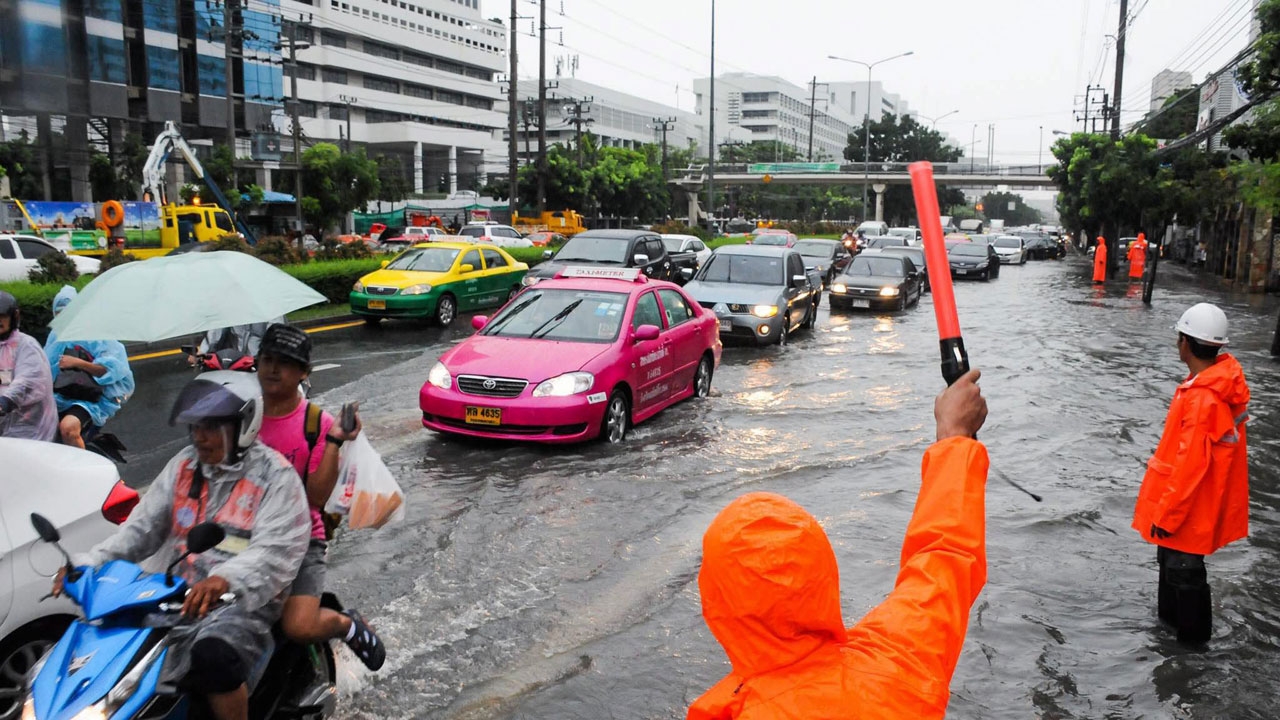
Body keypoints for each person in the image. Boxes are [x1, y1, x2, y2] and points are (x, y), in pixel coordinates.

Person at [688, 370, 989, 720]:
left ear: (715, 603)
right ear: (823, 574)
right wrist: (954, 436)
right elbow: (945, 556)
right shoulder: (896, 662)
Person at [56, 371, 310, 720]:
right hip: (169, 592)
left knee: (213, 658)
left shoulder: (276, 477)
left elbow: (275, 551)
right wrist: (87, 563)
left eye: (211, 427)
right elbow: (139, 531)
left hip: (241, 603)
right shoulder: (184, 466)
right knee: (104, 645)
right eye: (195, 426)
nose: (199, 437)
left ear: (244, 425)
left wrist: (226, 578)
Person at [254, 323, 385, 670]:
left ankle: (345, 623)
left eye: (284, 362)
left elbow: (316, 496)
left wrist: (334, 440)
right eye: (266, 359)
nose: (272, 369)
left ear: (303, 373)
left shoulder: (316, 423)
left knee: (298, 625)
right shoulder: (240, 415)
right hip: (245, 533)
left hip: (300, 539)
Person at [1132, 303, 1250, 645]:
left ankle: (1190, 659)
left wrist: (1167, 516)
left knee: (1184, 576)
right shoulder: (1215, 385)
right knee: (1176, 572)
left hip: (1185, 510)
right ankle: (1175, 646)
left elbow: (1189, 468)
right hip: (1195, 505)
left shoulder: (1203, 398)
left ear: (1185, 343)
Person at [44, 286, 135, 448]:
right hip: (61, 396)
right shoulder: (55, 336)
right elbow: (42, 367)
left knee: (68, 429)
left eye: (68, 313)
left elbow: (111, 369)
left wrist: (77, 363)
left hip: (89, 399)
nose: (64, 319)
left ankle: (84, 472)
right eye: (59, 314)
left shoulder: (95, 332)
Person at [0, 290, 57, 441]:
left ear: (14, 316)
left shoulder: (26, 345)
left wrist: (5, 401)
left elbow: (27, 380)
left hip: (28, 425)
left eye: (2, 316)